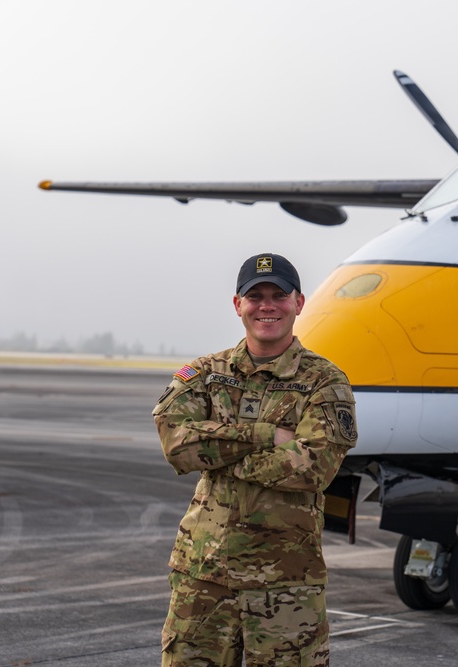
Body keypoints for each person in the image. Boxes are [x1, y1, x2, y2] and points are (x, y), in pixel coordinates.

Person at [153, 252, 358, 667]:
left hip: (286, 584)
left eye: (278, 295)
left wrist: (219, 456)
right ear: (238, 305)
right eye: (256, 296)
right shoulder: (206, 374)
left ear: (298, 303)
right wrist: (264, 435)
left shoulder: (326, 382)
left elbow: (314, 467)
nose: (267, 305)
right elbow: (176, 442)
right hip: (203, 578)